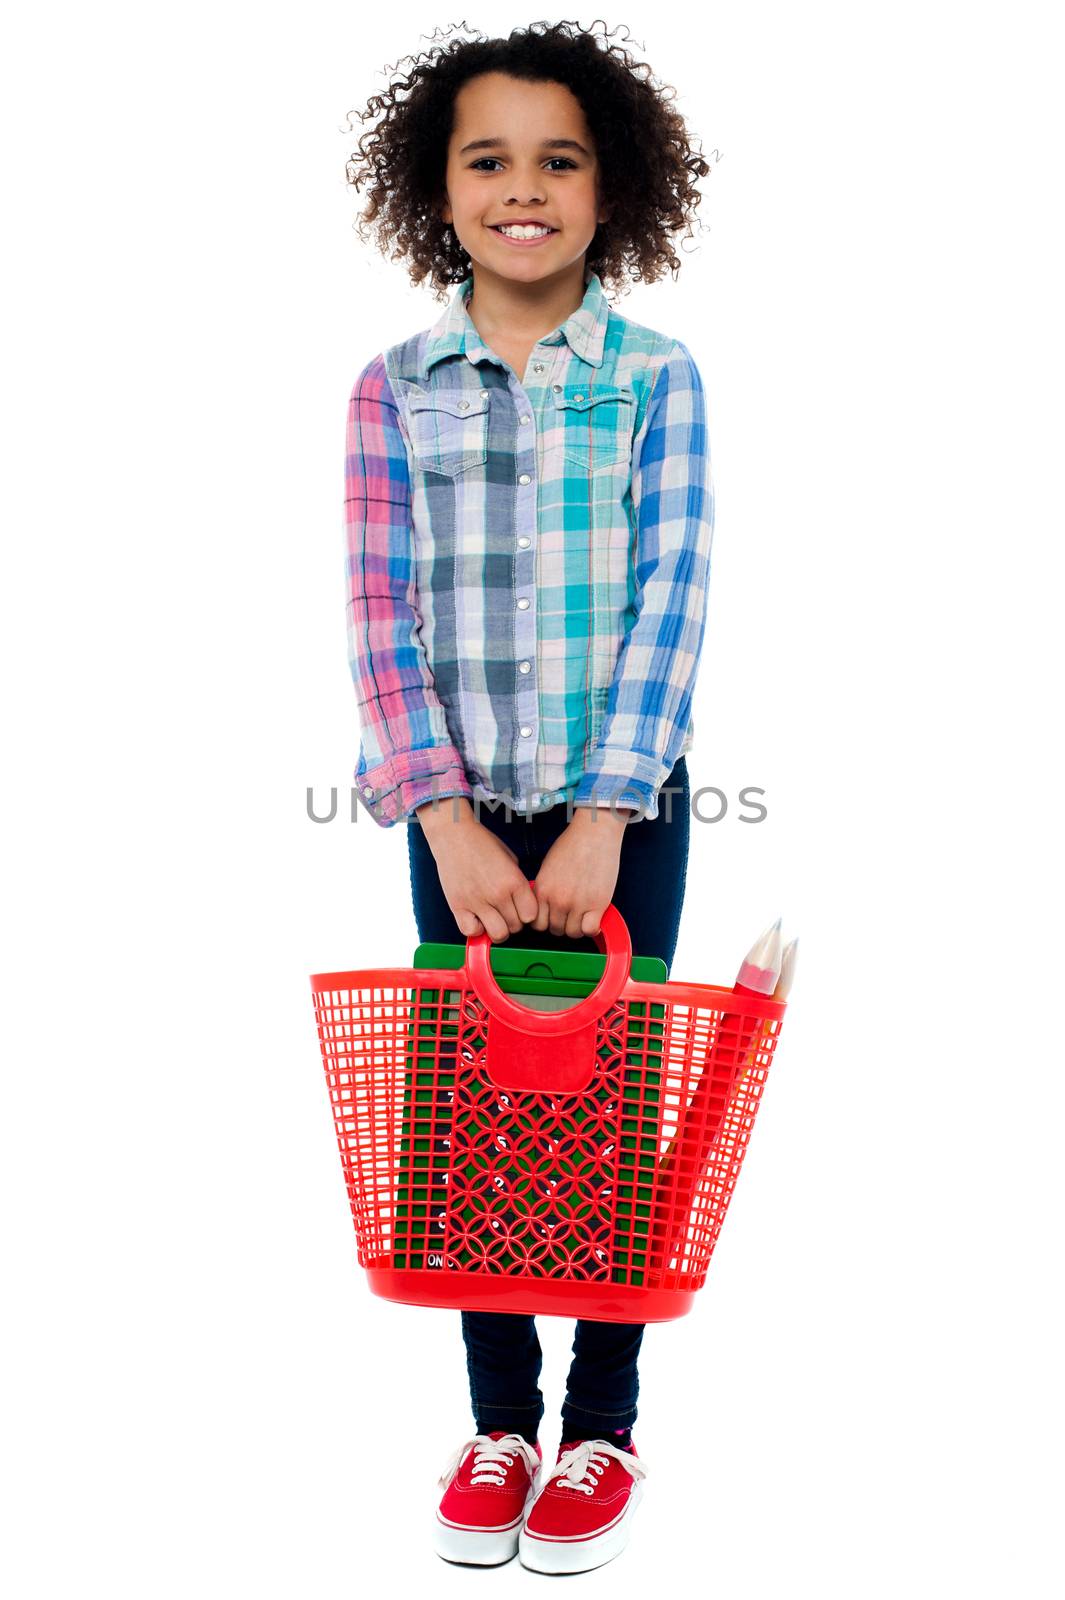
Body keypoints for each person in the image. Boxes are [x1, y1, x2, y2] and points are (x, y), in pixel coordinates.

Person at [341, 20, 714, 1575]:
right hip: (459, 820)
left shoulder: (654, 380)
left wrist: (600, 812)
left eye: (558, 160)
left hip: (615, 808)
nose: (523, 189)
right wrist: (439, 814)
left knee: (607, 1122)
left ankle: (602, 1429)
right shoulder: (389, 386)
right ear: (438, 191)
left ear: (609, 189)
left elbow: (672, 597)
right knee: (477, 1121)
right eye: (487, 159)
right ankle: (500, 1421)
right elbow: (378, 614)